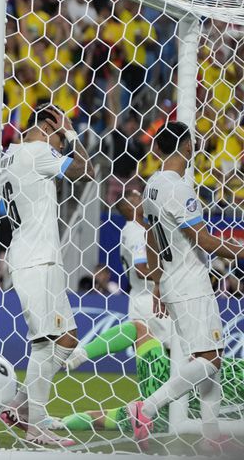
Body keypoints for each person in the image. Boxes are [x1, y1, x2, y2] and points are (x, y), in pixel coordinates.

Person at [127, 121, 244, 452]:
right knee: (209, 360)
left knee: (211, 357)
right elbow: (204, 240)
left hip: (173, 279)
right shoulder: (179, 187)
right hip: (191, 281)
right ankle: (146, 408)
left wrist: (158, 281)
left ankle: (210, 433)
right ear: (189, 147)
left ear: (158, 149)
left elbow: (151, 236)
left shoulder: (152, 186)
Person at [0, 104, 95, 446]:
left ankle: (19, 407)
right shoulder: (38, 150)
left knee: (66, 337)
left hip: (36, 257)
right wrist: (70, 134)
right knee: (46, 342)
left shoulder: (9, 156)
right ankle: (35, 423)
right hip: (35, 259)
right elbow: (87, 170)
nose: (59, 142)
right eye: (56, 132)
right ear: (47, 127)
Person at [55, 320, 244, 446]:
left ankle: (79, 356)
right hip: (165, 421)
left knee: (139, 328)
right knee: (101, 419)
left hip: (169, 387)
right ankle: (60, 423)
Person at [67, 189, 170, 370]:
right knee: (171, 349)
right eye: (138, 198)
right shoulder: (137, 232)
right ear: (130, 207)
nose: (143, 199)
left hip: (138, 296)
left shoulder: (129, 230)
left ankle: (85, 352)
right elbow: (141, 270)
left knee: (147, 355)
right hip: (151, 299)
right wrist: (170, 274)